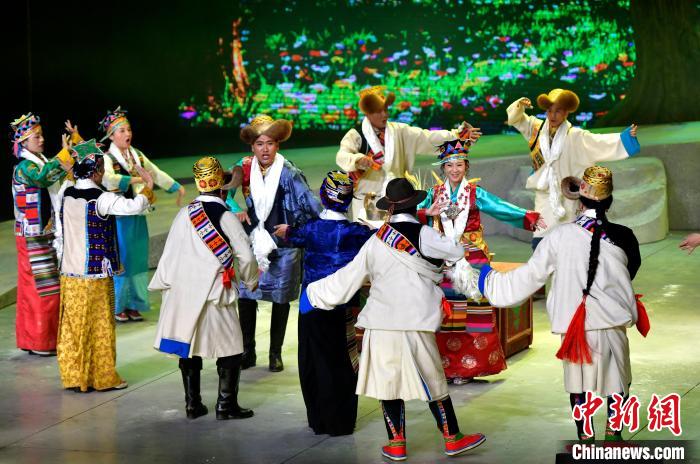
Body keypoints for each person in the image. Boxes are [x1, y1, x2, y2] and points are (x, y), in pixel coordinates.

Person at [303, 178, 486, 461]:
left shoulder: (376, 241)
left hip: (380, 322)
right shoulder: (425, 234)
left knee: (387, 384)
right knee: (433, 382)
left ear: (389, 208)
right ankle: (452, 438)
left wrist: (313, 294)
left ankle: (397, 444)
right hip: (416, 321)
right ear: (415, 205)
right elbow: (456, 251)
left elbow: (348, 278)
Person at [476, 166, 648, 441]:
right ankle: (614, 437)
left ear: (580, 202)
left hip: (574, 327)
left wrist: (489, 280)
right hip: (612, 322)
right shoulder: (625, 236)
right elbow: (628, 274)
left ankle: (585, 440)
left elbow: (531, 276)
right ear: (609, 202)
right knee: (617, 382)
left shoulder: (558, 236)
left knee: (578, 385)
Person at [417, 138, 546, 381]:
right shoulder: (434, 194)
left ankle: (471, 366)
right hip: (443, 257)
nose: (454, 170)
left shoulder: (475, 193)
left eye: (459, 165)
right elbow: (413, 214)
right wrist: (426, 212)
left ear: (466, 167)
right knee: (445, 310)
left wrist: (528, 217)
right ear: (443, 168)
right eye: (449, 165)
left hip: (473, 257)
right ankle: (445, 366)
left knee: (475, 308)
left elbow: (500, 208)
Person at [150, 156, 258, 420]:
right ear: (221, 186)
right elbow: (245, 255)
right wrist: (250, 280)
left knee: (189, 347)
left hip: (183, 294)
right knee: (232, 349)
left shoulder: (183, 214)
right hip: (214, 294)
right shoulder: (225, 215)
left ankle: (193, 405)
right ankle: (225, 406)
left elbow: (169, 256)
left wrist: (168, 287)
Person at [273, 171, 373, 436]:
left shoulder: (310, 229)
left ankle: (318, 420)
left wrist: (286, 231)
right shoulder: (357, 232)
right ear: (349, 199)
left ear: (323, 196)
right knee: (342, 360)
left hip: (311, 305)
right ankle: (341, 422)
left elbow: (292, 235)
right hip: (343, 307)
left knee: (313, 360)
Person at [226, 115, 322, 372]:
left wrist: (320, 225)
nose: (265, 149)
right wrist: (235, 208)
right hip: (252, 240)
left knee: (281, 299)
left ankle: (274, 353)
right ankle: (247, 350)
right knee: (246, 297)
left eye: (269, 143)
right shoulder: (244, 167)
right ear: (252, 146)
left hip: (283, 244)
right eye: (259, 144)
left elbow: (309, 203)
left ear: (278, 145)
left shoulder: (289, 172)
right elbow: (224, 192)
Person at [57, 139, 153, 392]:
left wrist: (72, 161)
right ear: (97, 171)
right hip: (94, 276)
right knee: (99, 326)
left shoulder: (65, 193)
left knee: (74, 326)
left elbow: (70, 178)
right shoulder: (101, 198)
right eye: (100, 168)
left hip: (69, 274)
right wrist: (148, 187)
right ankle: (102, 378)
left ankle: (75, 376)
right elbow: (134, 206)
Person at [506, 89, 640, 249]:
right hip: (545, 195)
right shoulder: (536, 129)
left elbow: (599, 142)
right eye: (549, 111)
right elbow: (516, 119)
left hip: (568, 198)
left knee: (569, 241)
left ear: (566, 112)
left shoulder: (576, 136)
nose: (552, 115)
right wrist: (519, 105)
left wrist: (625, 138)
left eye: (558, 111)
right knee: (541, 238)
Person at [336, 86, 481, 220]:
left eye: (386, 109)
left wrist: (457, 135)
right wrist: (358, 160)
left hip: (398, 201)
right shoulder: (356, 135)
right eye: (379, 111)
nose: (385, 114)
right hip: (367, 204)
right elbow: (342, 156)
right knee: (368, 238)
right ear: (368, 113)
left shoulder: (400, 131)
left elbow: (428, 138)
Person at [98, 106, 186, 322]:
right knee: (123, 259)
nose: (127, 134)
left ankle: (135, 303)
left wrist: (176, 187)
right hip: (119, 217)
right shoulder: (107, 158)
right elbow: (108, 179)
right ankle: (119, 305)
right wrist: (138, 179)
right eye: (121, 131)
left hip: (138, 213)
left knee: (138, 260)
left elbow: (154, 172)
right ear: (111, 135)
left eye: (128, 129)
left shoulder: (136, 155)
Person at [10, 113, 77, 356]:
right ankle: (40, 341)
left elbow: (52, 175)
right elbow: (42, 178)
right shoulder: (25, 167)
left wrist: (68, 158)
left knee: (45, 287)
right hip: (32, 234)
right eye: (36, 137)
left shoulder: (40, 161)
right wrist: (63, 156)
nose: (42, 139)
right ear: (24, 142)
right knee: (42, 288)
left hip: (43, 232)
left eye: (41, 135)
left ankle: (38, 339)